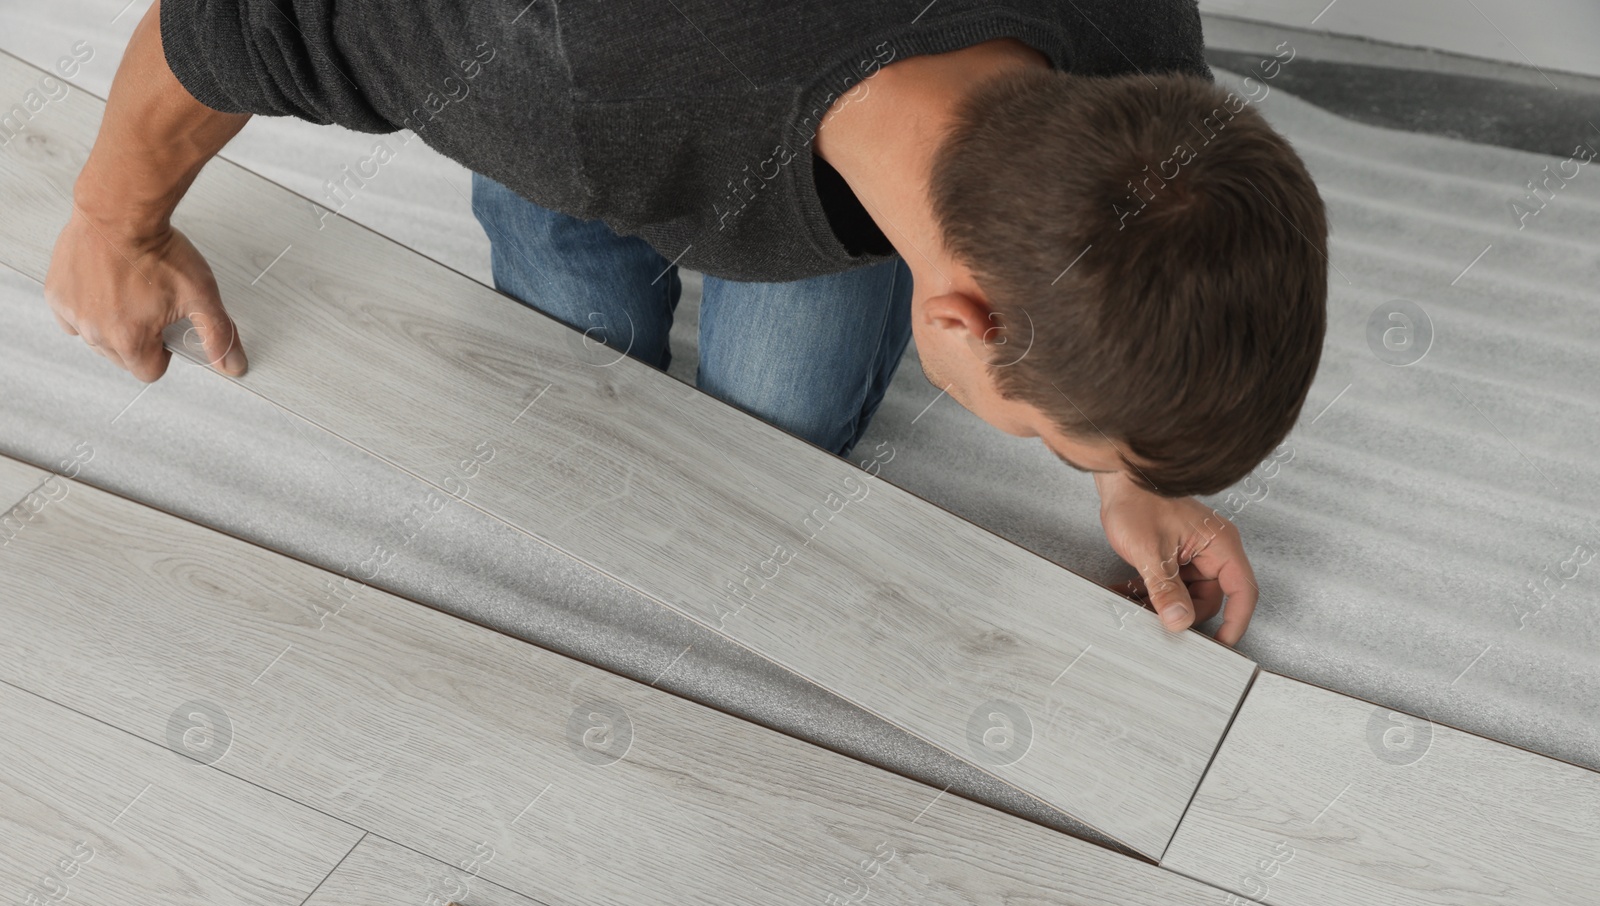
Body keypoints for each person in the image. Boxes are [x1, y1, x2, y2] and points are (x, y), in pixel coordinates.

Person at [43, 0, 1327, 647]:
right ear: (963, 312)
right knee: (574, 336)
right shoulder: (563, 72)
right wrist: (114, 223)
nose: (1057, 447)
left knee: (777, 430)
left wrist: (1129, 461)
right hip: (608, 95)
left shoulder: (1146, 78)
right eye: (1041, 435)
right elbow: (233, 20)